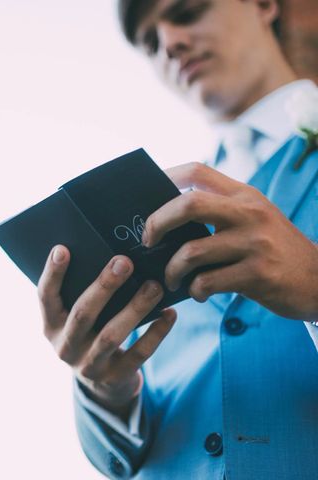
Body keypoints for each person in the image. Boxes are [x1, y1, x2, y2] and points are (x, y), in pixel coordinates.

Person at [36, 1, 318, 478]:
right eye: (150, 43)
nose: (169, 44)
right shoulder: (160, 209)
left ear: (264, 5)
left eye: (186, 13)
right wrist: (107, 391)